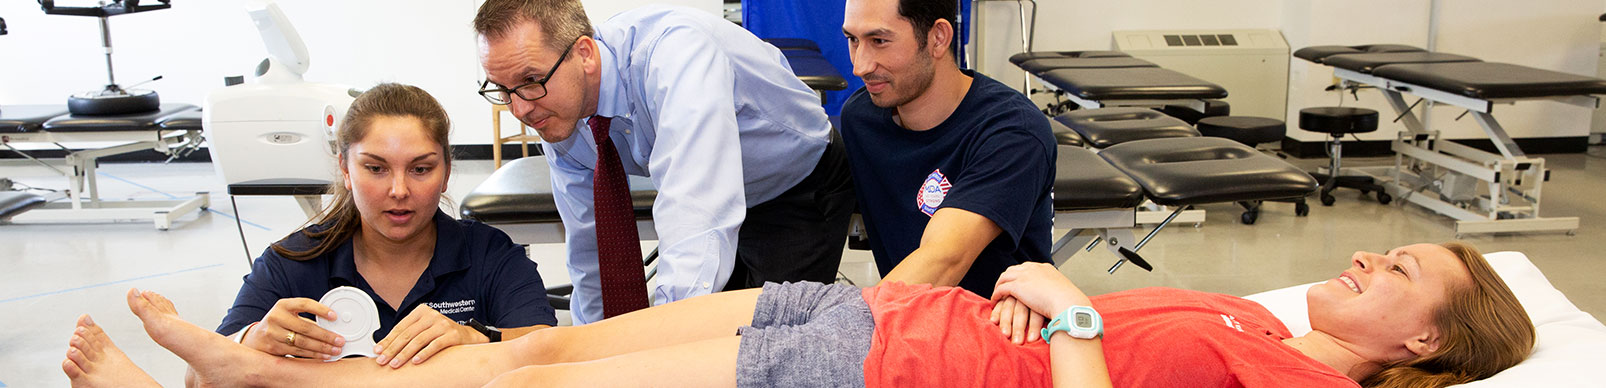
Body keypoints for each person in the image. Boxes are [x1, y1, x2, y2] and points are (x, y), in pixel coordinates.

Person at [65, 242, 1535, 388]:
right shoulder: (1266, 322)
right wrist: (1030, 301)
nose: (1370, 265)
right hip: (879, 313)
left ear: (1423, 347)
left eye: (1408, 277)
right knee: (534, 343)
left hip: (889, 375)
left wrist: (1066, 310)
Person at [474, 0, 857, 324]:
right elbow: (591, 244)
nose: (520, 108)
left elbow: (695, 213)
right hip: (724, 189)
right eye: (503, 90)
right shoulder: (558, 107)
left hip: (795, 185)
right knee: (714, 327)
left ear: (585, 54)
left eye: (530, 80)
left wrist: (660, 343)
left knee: (766, 343)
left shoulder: (675, 56)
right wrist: (597, 346)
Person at [212, 83, 557, 370]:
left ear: (447, 172)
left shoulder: (489, 256)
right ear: (345, 169)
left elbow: (554, 355)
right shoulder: (293, 264)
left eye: (420, 169)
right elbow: (200, 375)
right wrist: (251, 339)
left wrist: (481, 338)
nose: (399, 190)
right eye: (376, 169)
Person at [838, 0, 1055, 300]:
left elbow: (944, 259)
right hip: (908, 322)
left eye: (879, 41)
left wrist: (835, 325)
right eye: (853, 40)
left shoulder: (1013, 132)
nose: (860, 66)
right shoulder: (860, 120)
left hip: (998, 331)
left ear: (938, 38)